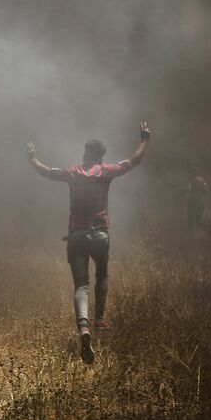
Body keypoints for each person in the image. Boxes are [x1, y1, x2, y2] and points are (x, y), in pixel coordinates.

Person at [27, 122, 151, 363]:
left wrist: (32, 158)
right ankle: (100, 318)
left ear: (85, 154)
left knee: (81, 285)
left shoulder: (73, 172)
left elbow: (47, 172)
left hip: (76, 236)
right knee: (102, 274)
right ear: (102, 156)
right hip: (100, 235)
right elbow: (133, 161)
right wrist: (144, 139)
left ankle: (83, 329)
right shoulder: (105, 171)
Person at [185, 167, 208, 244]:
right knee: (198, 221)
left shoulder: (190, 181)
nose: (188, 174)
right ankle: (206, 229)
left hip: (192, 202)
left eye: (189, 172)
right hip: (200, 203)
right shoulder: (202, 181)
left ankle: (191, 238)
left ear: (192, 173)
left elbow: (189, 191)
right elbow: (205, 192)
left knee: (190, 220)